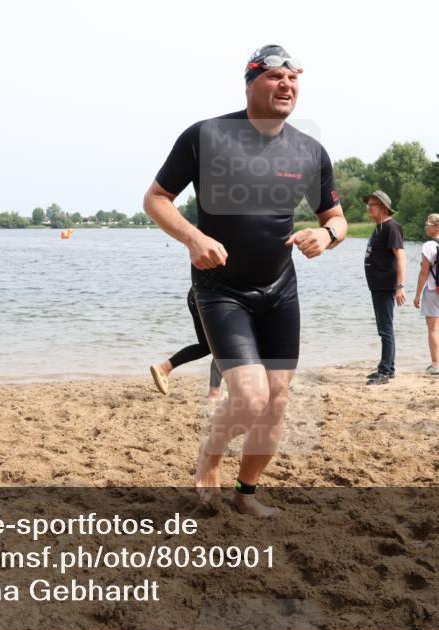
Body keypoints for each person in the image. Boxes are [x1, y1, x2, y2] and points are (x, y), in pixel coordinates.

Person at [142, 45, 347, 517]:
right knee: (250, 397)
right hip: (221, 289)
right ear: (250, 83)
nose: (287, 85)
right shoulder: (207, 136)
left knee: (276, 401)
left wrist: (327, 234)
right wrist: (193, 238)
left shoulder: (308, 150)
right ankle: (210, 454)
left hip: (280, 290)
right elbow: (156, 199)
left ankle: (246, 494)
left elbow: (335, 218)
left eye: (294, 78)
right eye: (275, 76)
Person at [363, 190, 406, 385]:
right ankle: (389, 368)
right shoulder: (379, 226)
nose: (368, 207)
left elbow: (401, 257)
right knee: (383, 328)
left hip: (386, 285)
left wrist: (400, 286)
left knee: (385, 328)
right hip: (377, 285)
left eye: (371, 204)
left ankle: (385, 372)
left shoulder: (391, 227)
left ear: (383, 207)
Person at [150, 287, 223, 400]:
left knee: (207, 346)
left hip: (196, 294)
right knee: (220, 346)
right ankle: (214, 392)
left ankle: (163, 368)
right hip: (212, 297)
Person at [413, 212, 439, 375]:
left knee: (433, 330)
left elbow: (424, 271)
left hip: (433, 290)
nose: (426, 227)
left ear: (437, 227)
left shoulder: (429, 246)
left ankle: (435, 365)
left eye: (428, 224)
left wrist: (417, 295)